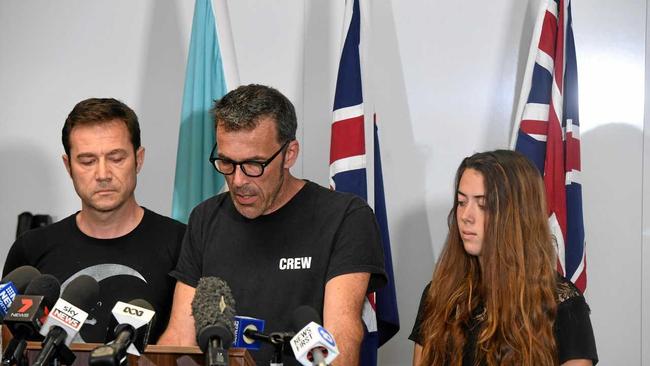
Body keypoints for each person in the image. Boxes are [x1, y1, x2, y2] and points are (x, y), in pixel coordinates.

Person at [158, 84, 387, 365]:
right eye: (227, 162)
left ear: (289, 154)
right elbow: (181, 336)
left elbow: (342, 336)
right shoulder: (205, 218)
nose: (238, 181)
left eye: (254, 164)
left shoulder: (345, 217)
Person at [3, 98, 185, 343]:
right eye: (87, 161)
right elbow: (10, 344)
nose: (102, 174)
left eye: (116, 158)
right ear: (68, 167)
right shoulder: (31, 249)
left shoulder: (181, 243)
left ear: (138, 159)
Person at [409, 150, 598, 366]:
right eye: (462, 202)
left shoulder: (564, 305)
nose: (465, 216)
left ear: (516, 214)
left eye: (483, 204)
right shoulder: (440, 294)